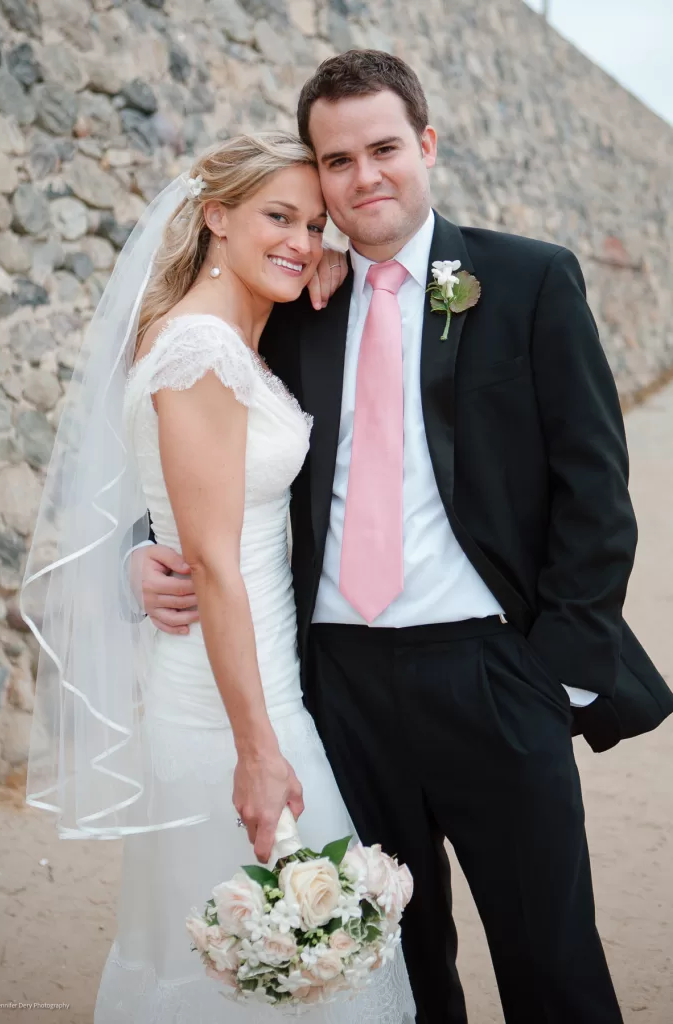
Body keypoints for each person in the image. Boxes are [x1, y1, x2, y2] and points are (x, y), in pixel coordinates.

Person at [136, 51, 673, 1024]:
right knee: (393, 969)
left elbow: (594, 491)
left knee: (549, 961)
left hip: (494, 675)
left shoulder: (527, 279)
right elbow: (206, 432)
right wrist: (148, 536)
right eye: (335, 162)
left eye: (383, 148)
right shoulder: (299, 298)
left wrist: (553, 672)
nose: (362, 177)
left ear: (424, 144)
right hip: (336, 689)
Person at [21, 132, 415, 1024]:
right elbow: (213, 567)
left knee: (269, 958)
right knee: (246, 956)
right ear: (214, 217)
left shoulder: (234, 332)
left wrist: (327, 256)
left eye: (315, 224)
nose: (303, 240)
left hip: (266, 680)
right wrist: (257, 751)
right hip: (225, 705)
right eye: (280, 216)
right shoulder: (200, 348)